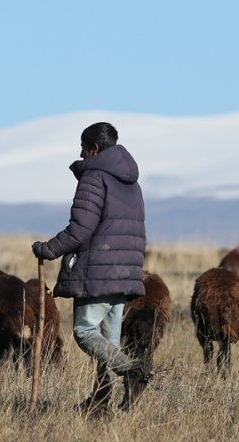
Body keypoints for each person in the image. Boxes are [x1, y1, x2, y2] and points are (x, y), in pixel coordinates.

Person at [31, 121, 149, 416]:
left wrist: (47, 249)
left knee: (85, 332)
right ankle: (100, 404)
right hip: (125, 271)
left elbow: (80, 229)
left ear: (94, 149)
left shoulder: (94, 178)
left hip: (99, 270)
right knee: (108, 342)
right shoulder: (131, 182)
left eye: (83, 149)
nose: (81, 155)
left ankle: (131, 370)